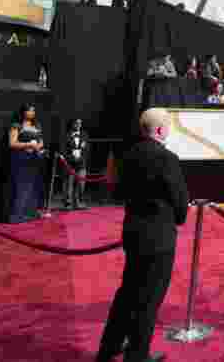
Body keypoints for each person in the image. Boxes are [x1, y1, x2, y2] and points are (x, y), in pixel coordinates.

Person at [96, 108, 189, 362]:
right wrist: (178, 217)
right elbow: (180, 203)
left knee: (127, 293)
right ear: (159, 130)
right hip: (159, 238)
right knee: (148, 300)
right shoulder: (167, 158)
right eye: (168, 126)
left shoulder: (127, 154)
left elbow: (115, 191)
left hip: (133, 231)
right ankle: (137, 356)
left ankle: (109, 347)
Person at [8, 103, 46, 223]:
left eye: (33, 111)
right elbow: (12, 143)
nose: (32, 113)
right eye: (30, 111)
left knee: (33, 187)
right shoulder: (16, 125)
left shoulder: (37, 125)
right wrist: (28, 145)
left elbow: (41, 142)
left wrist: (38, 147)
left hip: (34, 159)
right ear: (23, 112)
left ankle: (30, 213)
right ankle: (17, 216)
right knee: (21, 187)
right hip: (21, 158)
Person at [63, 119, 90, 210]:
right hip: (70, 163)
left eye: (80, 123)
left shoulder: (85, 135)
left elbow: (87, 149)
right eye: (76, 123)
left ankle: (79, 202)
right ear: (72, 124)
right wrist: (72, 157)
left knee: (81, 183)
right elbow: (63, 150)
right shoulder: (66, 135)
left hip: (81, 163)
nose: (79, 124)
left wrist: (81, 158)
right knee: (69, 183)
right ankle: (68, 203)